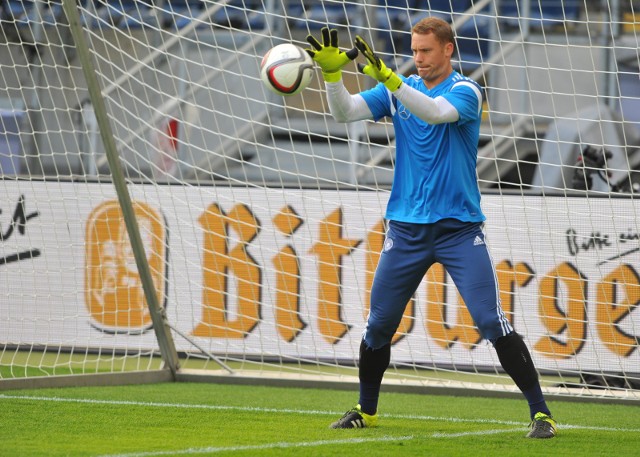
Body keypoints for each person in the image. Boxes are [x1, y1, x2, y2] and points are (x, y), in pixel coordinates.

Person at [305, 17, 557, 439]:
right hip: (405, 231)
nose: (417, 59)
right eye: (414, 50)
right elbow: (345, 111)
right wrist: (333, 77)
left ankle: (541, 413)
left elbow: (436, 113)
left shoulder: (466, 91)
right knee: (378, 325)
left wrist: (391, 78)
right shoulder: (399, 88)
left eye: (425, 51)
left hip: (459, 231)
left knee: (491, 322)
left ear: (448, 50)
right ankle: (366, 410)